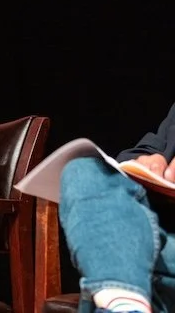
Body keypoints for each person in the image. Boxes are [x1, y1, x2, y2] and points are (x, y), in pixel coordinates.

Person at [59, 106, 175, 313]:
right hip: (148, 240)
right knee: (82, 171)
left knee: (109, 263)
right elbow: (136, 155)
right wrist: (151, 160)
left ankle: (123, 300)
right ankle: (126, 302)